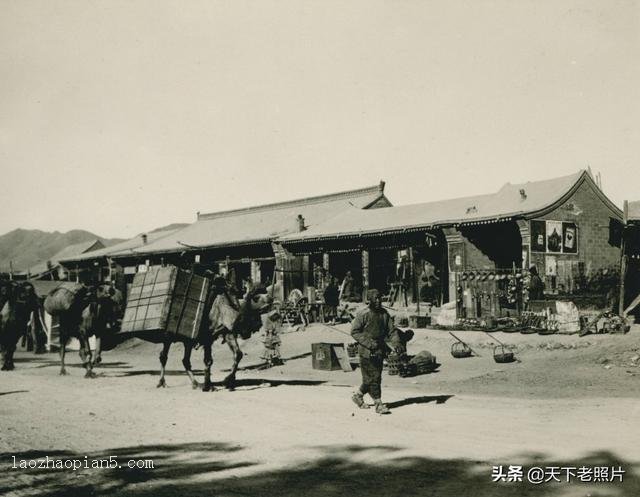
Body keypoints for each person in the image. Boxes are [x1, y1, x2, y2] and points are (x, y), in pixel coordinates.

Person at [350, 288, 401, 415]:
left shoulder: (385, 314)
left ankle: (358, 396)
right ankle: (378, 404)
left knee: (369, 379)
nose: (378, 301)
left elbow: (392, 331)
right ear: (370, 300)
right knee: (375, 377)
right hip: (366, 351)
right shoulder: (363, 314)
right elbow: (355, 332)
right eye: (375, 298)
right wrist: (369, 343)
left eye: (379, 298)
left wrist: (397, 343)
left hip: (379, 350)